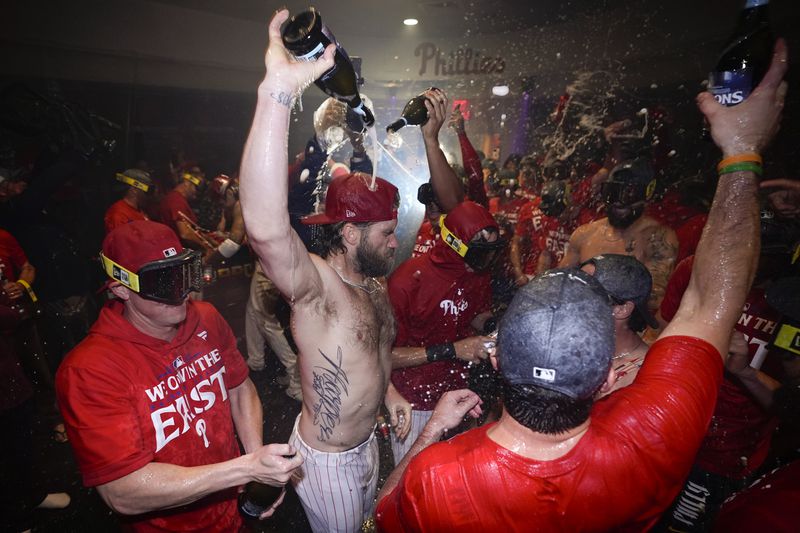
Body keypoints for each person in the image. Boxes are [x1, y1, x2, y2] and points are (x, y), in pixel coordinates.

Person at [374, 39, 788, 532]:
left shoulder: (438, 478)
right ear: (610, 378)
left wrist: (433, 431)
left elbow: (384, 513)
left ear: (498, 361)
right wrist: (742, 152)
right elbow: (708, 306)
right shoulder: (651, 434)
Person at [238, 10, 411, 532]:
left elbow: (369, 354)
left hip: (367, 443)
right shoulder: (320, 288)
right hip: (328, 461)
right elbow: (266, 230)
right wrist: (278, 92)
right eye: (387, 232)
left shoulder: (372, 280)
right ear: (352, 235)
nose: (396, 241)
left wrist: (391, 392)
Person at [55, 221, 299, 531]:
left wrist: (254, 462)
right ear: (121, 289)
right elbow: (122, 492)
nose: (182, 291)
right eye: (162, 281)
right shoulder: (91, 370)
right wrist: (246, 469)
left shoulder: (206, 317)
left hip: (232, 511)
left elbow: (239, 387)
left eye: (183, 274)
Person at [389, 200, 502, 462]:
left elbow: (472, 313)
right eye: (481, 253)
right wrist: (453, 350)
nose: (487, 262)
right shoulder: (406, 282)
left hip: (458, 395)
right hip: (414, 402)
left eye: (492, 253)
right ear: (455, 245)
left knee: (452, 477)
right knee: (410, 481)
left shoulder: (476, 273)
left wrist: (495, 327)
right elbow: (386, 356)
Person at [559, 157, 679, 315]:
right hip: (583, 324)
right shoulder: (584, 234)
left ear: (646, 195)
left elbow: (653, 300)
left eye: (629, 194)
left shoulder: (657, 239)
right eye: (612, 193)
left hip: (626, 329)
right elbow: (558, 284)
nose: (619, 203)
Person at [579, 254, 658, 396]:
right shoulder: (574, 346)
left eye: (584, 292)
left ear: (621, 309)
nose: (568, 299)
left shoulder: (638, 377)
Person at [158, 166, 214, 253]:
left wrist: (210, 240)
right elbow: (185, 234)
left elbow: (193, 230)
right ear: (187, 183)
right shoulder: (176, 201)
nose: (197, 193)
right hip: (180, 251)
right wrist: (207, 249)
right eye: (197, 188)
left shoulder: (178, 199)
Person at [104, 168, 152, 233]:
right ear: (134, 190)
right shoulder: (118, 215)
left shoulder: (140, 209)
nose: (150, 196)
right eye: (147, 191)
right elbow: (121, 241)